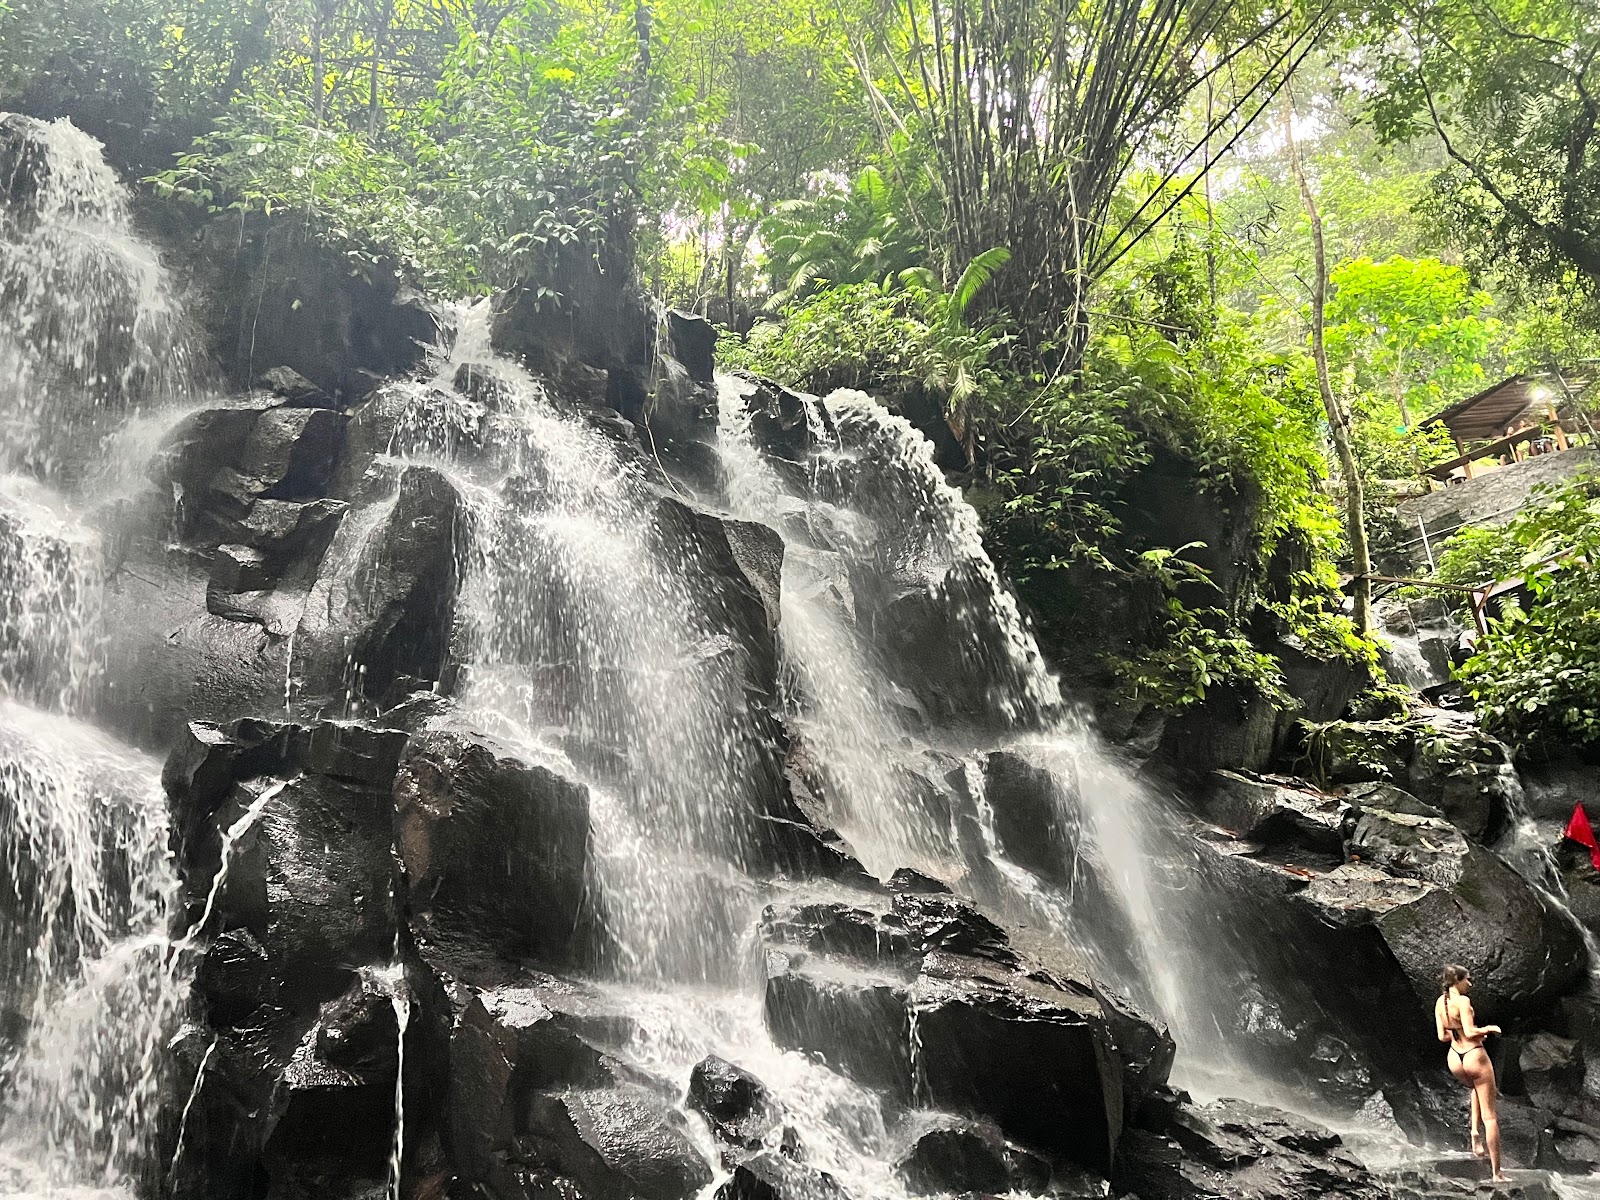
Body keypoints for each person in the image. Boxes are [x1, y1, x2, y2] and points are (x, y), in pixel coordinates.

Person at [1435, 964, 1506, 1181]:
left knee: (1475, 1088)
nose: (1470, 984)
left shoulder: (1441, 1002)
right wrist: (1488, 1030)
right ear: (1457, 981)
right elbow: (1469, 1031)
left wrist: (1462, 1034)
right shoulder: (1463, 1001)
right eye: (1467, 980)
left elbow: (1442, 1036)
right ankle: (1497, 1173)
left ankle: (1474, 1133)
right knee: (1491, 1117)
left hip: (1455, 1058)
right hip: (1474, 1055)